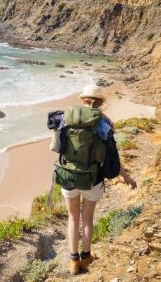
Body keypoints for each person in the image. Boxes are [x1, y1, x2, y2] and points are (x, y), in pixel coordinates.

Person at [49, 84, 137, 275]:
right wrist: (126, 177)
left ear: (82, 100)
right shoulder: (104, 123)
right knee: (87, 218)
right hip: (93, 178)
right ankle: (86, 257)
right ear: (100, 104)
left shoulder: (66, 117)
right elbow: (113, 156)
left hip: (68, 175)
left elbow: (56, 146)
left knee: (73, 217)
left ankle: (73, 262)